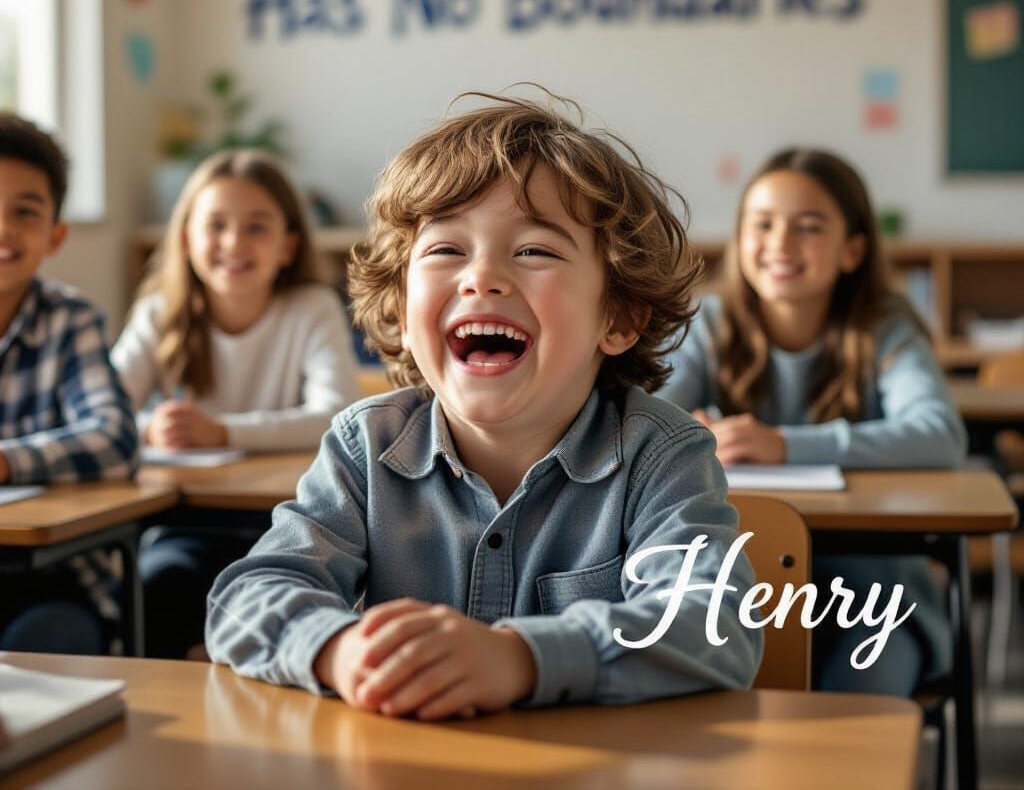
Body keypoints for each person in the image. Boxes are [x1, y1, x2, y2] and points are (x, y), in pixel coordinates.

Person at [206, 91, 762, 719]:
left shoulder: (661, 455)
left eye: (534, 251)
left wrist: (521, 658)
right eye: (446, 250)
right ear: (401, 307)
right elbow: (245, 598)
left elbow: (716, 628)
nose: (481, 278)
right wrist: (335, 650)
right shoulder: (365, 447)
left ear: (619, 317)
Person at [658, 147, 966, 695]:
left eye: (808, 227)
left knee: (859, 703)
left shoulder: (884, 328)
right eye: (763, 224)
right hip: (741, 585)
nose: (780, 243)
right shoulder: (708, 324)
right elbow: (646, 421)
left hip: (874, 597)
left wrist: (784, 445)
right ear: (739, 238)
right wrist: (690, 432)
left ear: (853, 250)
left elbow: (940, 434)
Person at [113, 149, 361, 657]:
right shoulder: (158, 313)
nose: (233, 242)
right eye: (216, 225)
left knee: (284, 604)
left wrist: (222, 431)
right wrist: (150, 426)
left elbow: (337, 416)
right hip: (182, 524)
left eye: (257, 227)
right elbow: (101, 415)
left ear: (288, 246)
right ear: (187, 240)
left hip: (284, 523)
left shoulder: (312, 309)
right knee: (157, 588)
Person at [0, 113, 137, 654]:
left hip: (51, 578)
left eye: (24, 212)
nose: (4, 228)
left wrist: (7, 462)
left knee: (49, 645)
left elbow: (115, 439)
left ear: (55, 235)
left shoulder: (70, 319)